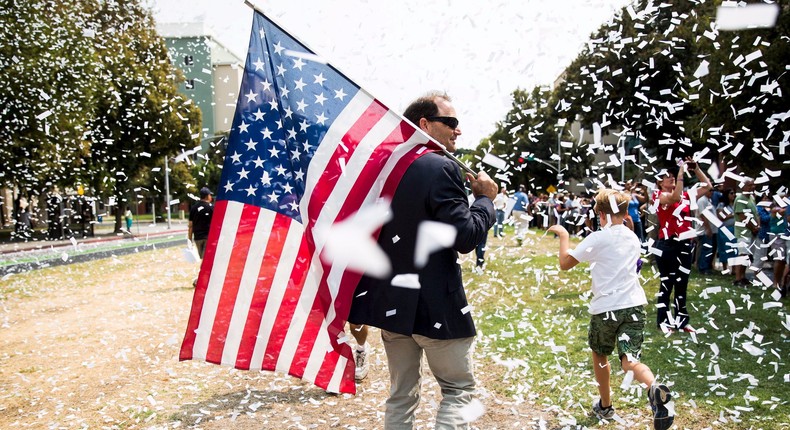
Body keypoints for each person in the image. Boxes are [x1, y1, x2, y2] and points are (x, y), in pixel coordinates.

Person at [347, 91, 497, 429]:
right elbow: (464, 237)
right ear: (424, 124)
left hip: (390, 301)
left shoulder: (382, 167)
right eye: (451, 123)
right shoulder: (441, 166)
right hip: (434, 303)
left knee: (400, 395)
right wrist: (485, 201)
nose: (458, 131)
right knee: (458, 390)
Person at [548, 189, 674, 430]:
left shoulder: (598, 237)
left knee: (601, 354)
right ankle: (654, 387)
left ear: (601, 214)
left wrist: (564, 235)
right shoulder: (632, 238)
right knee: (630, 361)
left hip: (606, 308)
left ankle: (605, 405)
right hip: (634, 305)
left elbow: (565, 264)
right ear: (626, 212)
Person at [651, 158, 712, 333]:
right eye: (667, 177)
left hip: (684, 243)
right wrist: (680, 172)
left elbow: (707, 186)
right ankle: (663, 321)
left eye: (672, 176)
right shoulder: (659, 196)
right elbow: (674, 197)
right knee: (667, 283)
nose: (670, 178)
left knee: (682, 283)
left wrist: (696, 169)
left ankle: (682, 321)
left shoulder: (687, 196)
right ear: (659, 182)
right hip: (667, 244)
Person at [732, 178, 759, 286]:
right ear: (743, 186)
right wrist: (753, 228)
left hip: (751, 231)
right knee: (743, 255)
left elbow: (755, 213)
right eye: (749, 185)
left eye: (753, 185)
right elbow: (742, 216)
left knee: (747, 256)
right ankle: (738, 278)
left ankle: (743, 277)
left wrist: (757, 225)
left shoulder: (751, 198)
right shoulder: (739, 199)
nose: (752, 187)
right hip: (743, 231)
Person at [768, 196, 788, 297]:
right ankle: (775, 282)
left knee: (784, 261)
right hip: (776, 235)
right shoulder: (775, 209)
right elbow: (781, 212)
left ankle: (782, 282)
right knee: (779, 259)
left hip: (784, 235)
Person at [188, 187, 215, 259]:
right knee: (207, 259)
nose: (211, 197)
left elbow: (190, 225)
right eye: (210, 195)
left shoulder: (194, 208)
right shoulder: (211, 208)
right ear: (207, 196)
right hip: (208, 237)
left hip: (197, 238)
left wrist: (190, 239)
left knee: (202, 258)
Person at [716, 189, 737, 274]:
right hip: (725, 229)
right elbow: (721, 216)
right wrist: (732, 215)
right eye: (731, 193)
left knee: (734, 248)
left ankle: (734, 269)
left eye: (734, 193)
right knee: (724, 248)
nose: (733, 195)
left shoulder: (735, 205)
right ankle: (725, 268)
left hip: (734, 228)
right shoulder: (722, 205)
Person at [696, 187, 716, 275]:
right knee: (705, 249)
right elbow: (703, 215)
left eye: (713, 190)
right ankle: (702, 268)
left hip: (711, 230)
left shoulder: (709, 200)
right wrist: (708, 229)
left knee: (709, 249)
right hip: (704, 230)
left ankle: (707, 267)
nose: (712, 192)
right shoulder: (702, 200)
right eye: (710, 190)